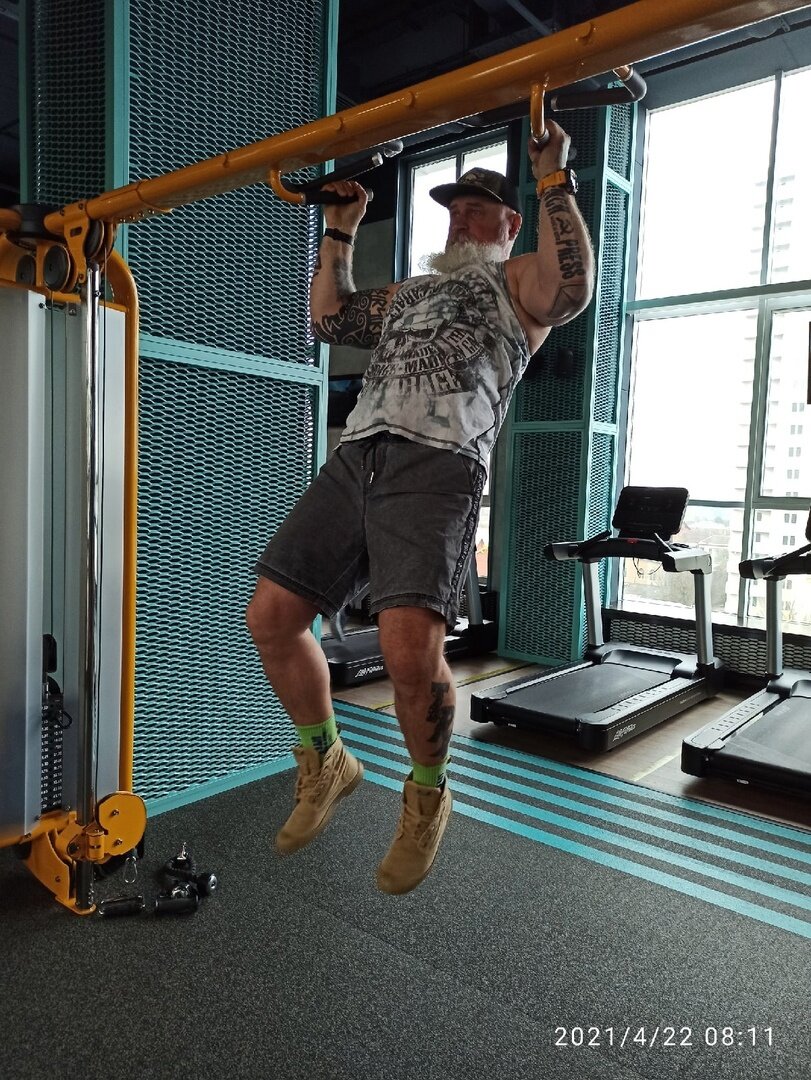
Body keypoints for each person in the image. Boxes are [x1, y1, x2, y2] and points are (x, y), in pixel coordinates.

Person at [246, 119, 594, 895]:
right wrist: (340, 228)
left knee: (408, 654)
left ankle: (428, 795)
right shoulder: (412, 291)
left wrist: (551, 177)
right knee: (271, 617)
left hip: (438, 464)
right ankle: (326, 760)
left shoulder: (520, 281)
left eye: (476, 209)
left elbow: (571, 289)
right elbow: (330, 320)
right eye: (453, 209)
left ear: (509, 223)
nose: (459, 219)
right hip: (357, 456)